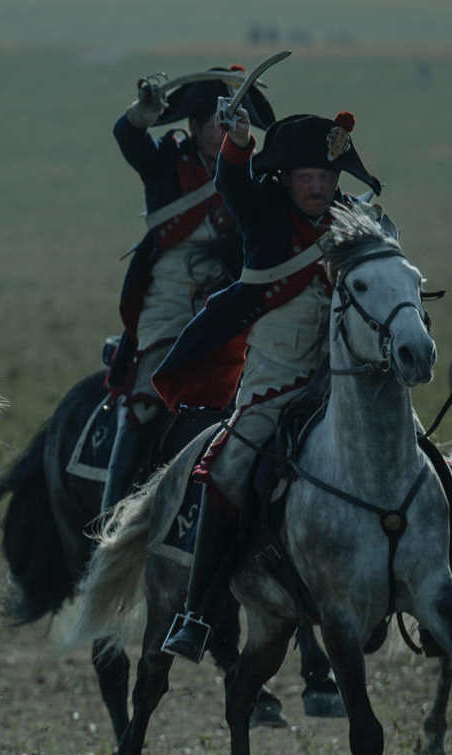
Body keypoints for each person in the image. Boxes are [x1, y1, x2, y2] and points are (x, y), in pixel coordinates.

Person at [151, 108, 384, 661]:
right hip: (273, 387)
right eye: (306, 177)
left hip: (340, 386)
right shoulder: (264, 213)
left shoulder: (356, 221)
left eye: (326, 177)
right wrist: (237, 141)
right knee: (226, 469)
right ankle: (197, 612)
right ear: (285, 179)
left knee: (412, 455)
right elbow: (232, 180)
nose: (318, 186)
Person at [103, 67, 275, 514]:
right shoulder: (166, 162)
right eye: (217, 119)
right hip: (171, 299)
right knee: (144, 405)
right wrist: (140, 114)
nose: (226, 126)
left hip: (234, 301)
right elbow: (130, 139)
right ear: (194, 126)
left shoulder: (251, 169)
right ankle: (110, 521)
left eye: (234, 117)